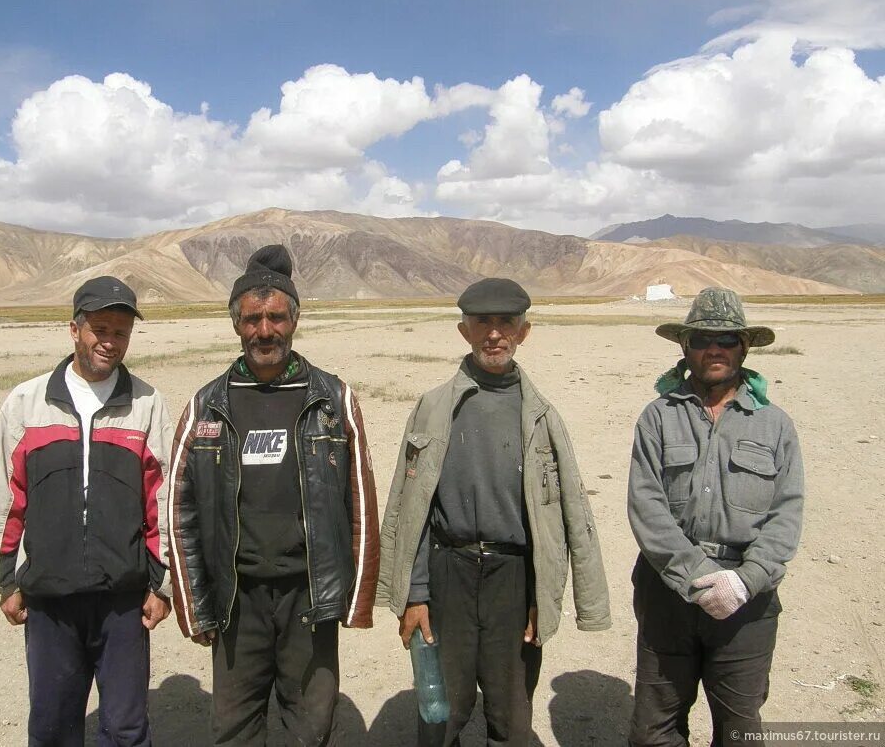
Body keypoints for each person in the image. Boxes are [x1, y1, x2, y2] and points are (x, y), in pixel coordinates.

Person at [378, 278, 612, 747]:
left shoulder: (541, 415)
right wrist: (416, 593)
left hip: (514, 581)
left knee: (511, 716)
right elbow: (411, 510)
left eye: (506, 322)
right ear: (463, 330)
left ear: (524, 332)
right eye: (483, 322)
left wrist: (540, 596)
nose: (494, 334)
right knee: (441, 713)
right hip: (448, 578)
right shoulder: (432, 408)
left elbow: (567, 516)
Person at [167, 244, 380, 746]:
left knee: (309, 728)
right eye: (253, 319)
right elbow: (180, 512)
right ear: (236, 325)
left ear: (296, 319)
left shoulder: (331, 400)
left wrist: (354, 598)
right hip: (237, 599)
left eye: (276, 317)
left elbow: (362, 503)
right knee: (234, 728)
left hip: (308, 595)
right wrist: (194, 603)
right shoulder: (207, 407)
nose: (265, 331)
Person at [0, 276, 174, 746]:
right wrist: (4, 579)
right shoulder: (27, 403)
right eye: (100, 329)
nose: (110, 342)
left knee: (126, 729)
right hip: (50, 599)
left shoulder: (146, 404)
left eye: (121, 332)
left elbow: (162, 500)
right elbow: (5, 497)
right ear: (74, 329)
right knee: (52, 726)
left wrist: (162, 584)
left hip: (123, 600)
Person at [626, 287, 804, 746]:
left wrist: (747, 579)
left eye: (727, 340)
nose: (715, 350)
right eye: (703, 339)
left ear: (744, 347)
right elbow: (647, 506)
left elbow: (787, 511)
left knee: (739, 727)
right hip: (668, 591)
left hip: (748, 600)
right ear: (685, 346)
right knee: (655, 729)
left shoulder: (775, 424)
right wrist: (697, 576)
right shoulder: (658, 417)